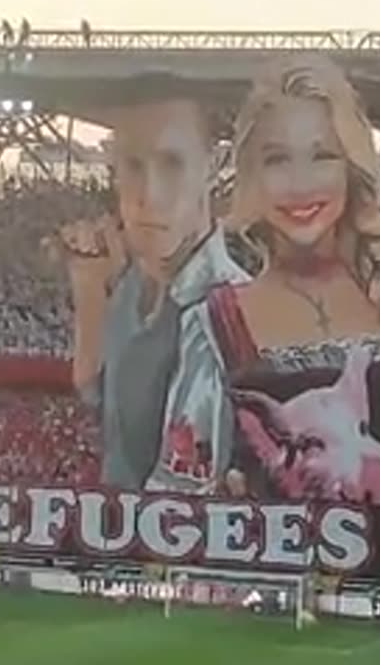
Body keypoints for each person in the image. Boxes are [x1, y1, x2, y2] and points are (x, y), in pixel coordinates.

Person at [206, 54, 380, 505]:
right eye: (277, 159)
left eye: (322, 156)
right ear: (250, 174)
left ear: (352, 167)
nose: (301, 184)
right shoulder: (212, 321)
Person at [50, 79, 248, 493]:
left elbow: (179, 497)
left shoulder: (232, 311)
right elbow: (98, 397)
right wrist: (89, 293)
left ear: (213, 166)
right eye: (132, 166)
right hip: (122, 540)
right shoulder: (130, 285)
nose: (148, 196)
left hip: (169, 547)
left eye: (172, 164)